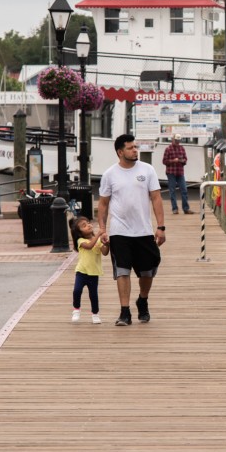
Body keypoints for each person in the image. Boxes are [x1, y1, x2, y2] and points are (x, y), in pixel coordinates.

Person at [98, 134, 166, 326]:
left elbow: (156, 199)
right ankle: (125, 311)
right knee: (122, 271)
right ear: (120, 152)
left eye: (135, 147)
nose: (135, 150)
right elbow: (103, 204)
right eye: (130, 148)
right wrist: (103, 230)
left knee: (147, 272)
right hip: (119, 231)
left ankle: (142, 300)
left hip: (143, 230)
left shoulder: (147, 170)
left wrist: (160, 227)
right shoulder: (110, 174)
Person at [69, 216, 109, 324]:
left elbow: (105, 252)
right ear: (80, 233)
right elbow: (90, 246)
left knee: (93, 295)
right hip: (81, 272)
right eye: (84, 225)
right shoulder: (81, 240)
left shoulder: (98, 240)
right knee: (77, 291)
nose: (88, 225)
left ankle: (95, 314)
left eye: (88, 223)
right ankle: (76, 310)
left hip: (94, 273)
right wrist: (98, 234)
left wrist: (107, 244)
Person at [162, 134, 192, 214]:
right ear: (172, 140)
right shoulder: (168, 149)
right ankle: (174, 209)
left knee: (184, 190)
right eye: (176, 140)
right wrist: (173, 161)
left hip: (180, 172)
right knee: (172, 191)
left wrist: (182, 161)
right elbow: (164, 161)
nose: (177, 142)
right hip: (171, 172)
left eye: (179, 141)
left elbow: (185, 159)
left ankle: (186, 209)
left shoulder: (182, 148)